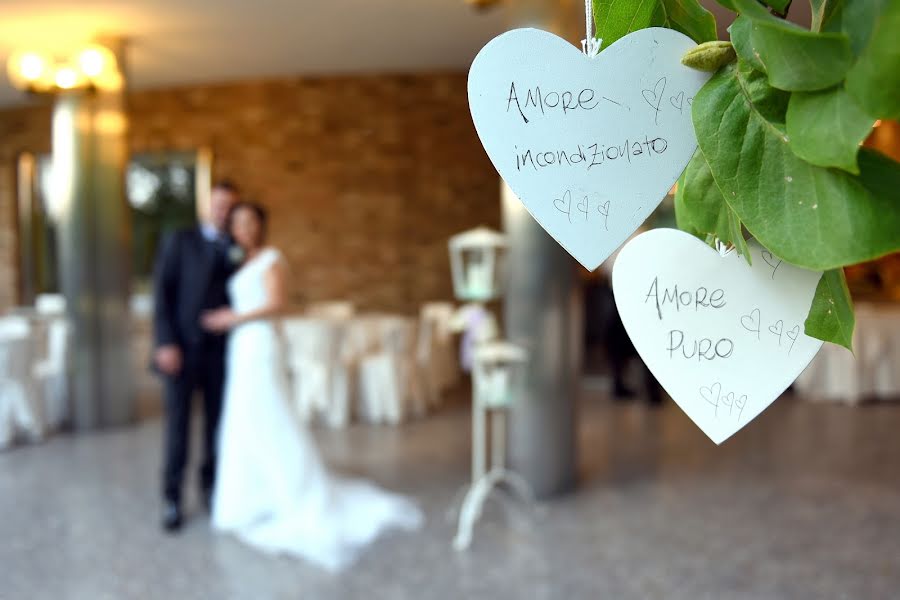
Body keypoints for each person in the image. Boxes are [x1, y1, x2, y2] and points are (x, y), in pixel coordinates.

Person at [201, 201, 422, 571]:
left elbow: (277, 303)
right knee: (243, 422)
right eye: (238, 222)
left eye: (250, 222)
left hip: (259, 343)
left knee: (268, 416)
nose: (243, 228)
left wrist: (233, 318)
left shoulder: (272, 259)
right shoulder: (236, 261)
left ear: (261, 226)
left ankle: (293, 493)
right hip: (240, 348)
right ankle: (252, 497)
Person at [153, 180, 240, 532]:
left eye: (230, 208)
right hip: (182, 351)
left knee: (217, 426)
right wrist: (165, 342)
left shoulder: (237, 246)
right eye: (219, 205)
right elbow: (162, 293)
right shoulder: (180, 240)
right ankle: (172, 498)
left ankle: (211, 488)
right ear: (207, 205)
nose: (223, 212)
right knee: (178, 427)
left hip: (221, 353)